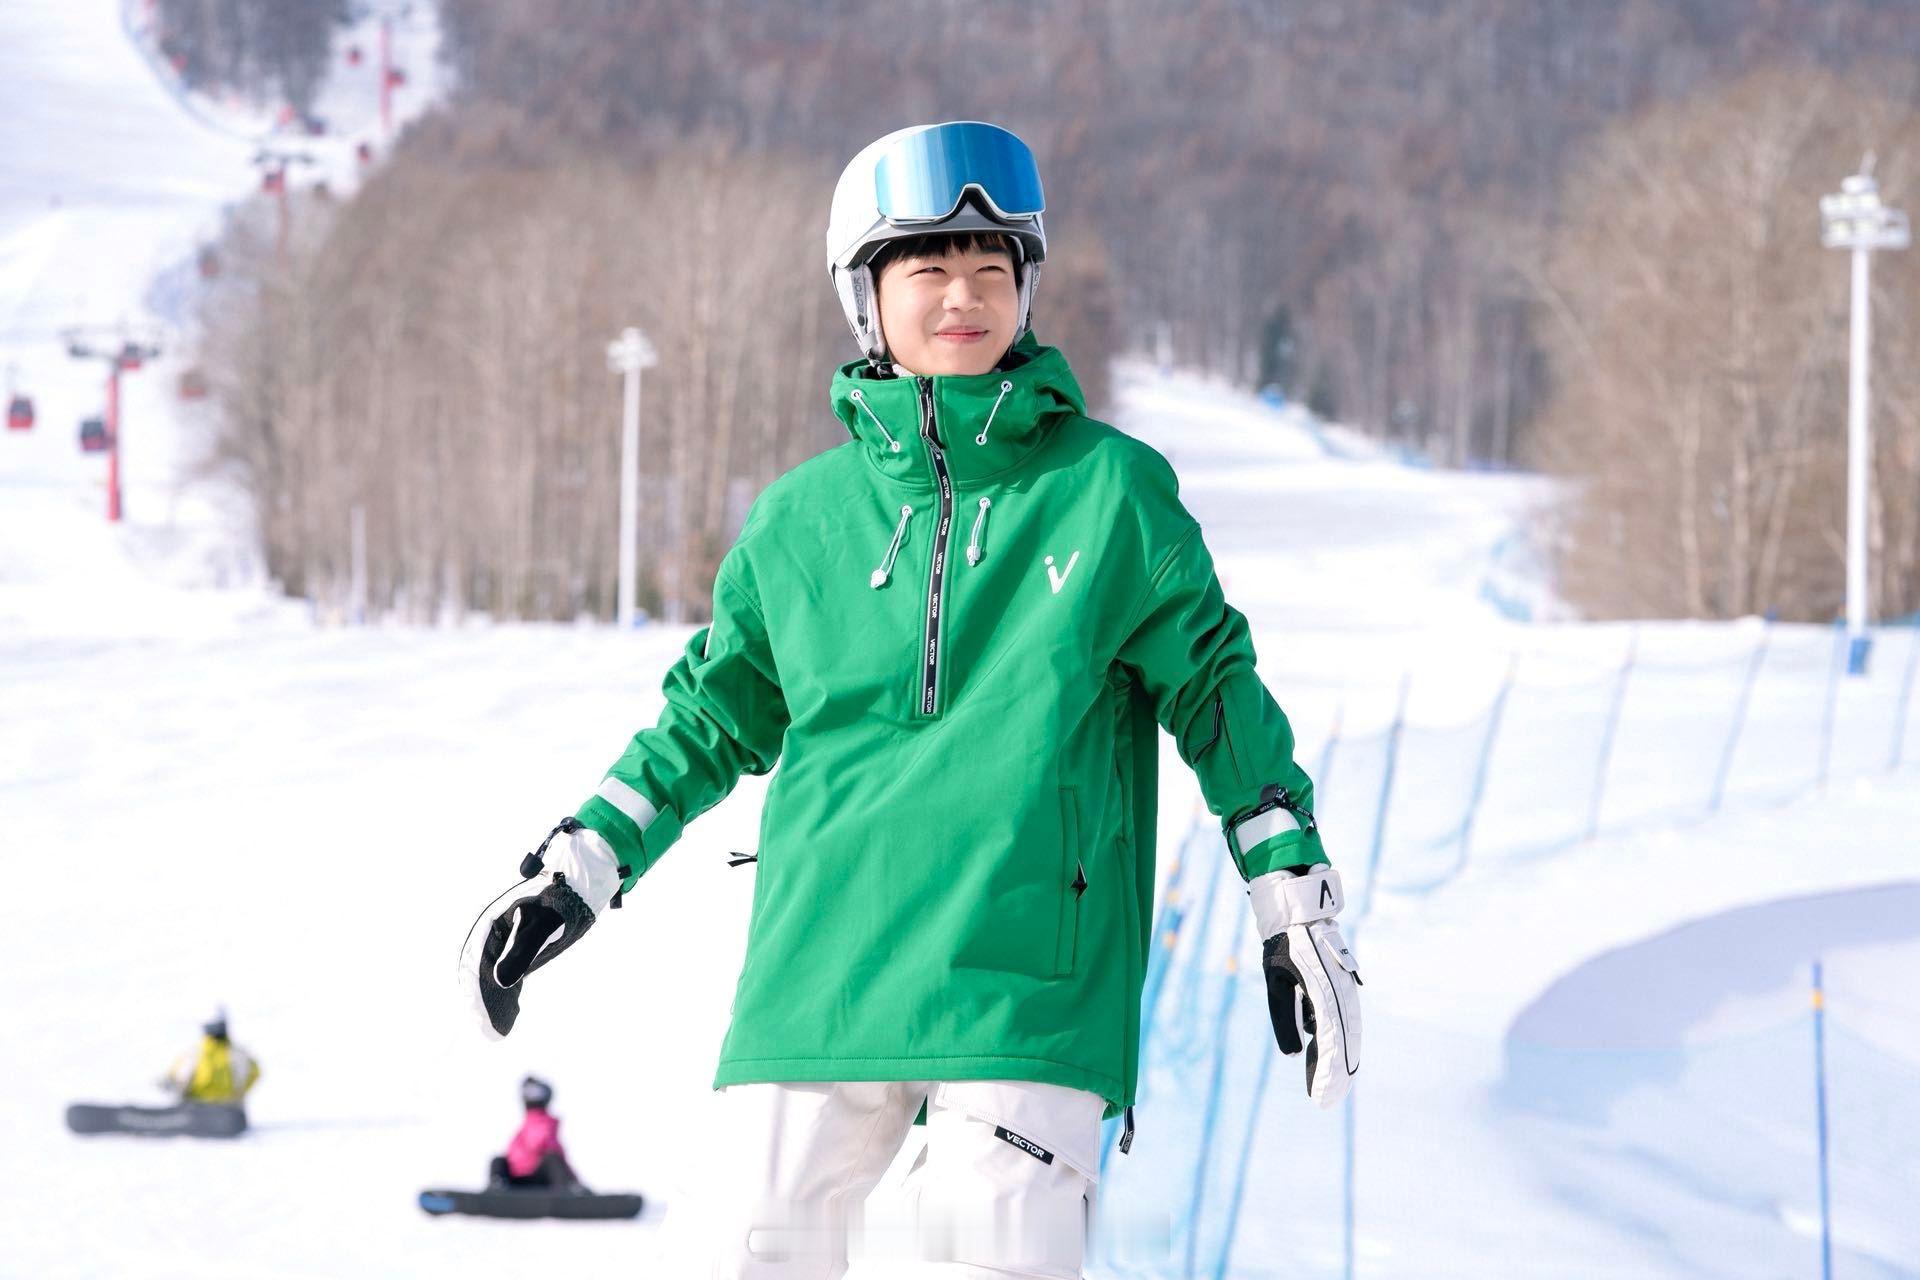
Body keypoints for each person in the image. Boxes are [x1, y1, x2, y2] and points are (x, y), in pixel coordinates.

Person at [462, 120, 1363, 1278]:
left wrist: (1293, 895)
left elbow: (1216, 693)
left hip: (1024, 984)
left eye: (993, 266)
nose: (964, 295)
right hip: (819, 971)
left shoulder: (1109, 494)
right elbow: (710, 716)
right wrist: (580, 865)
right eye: (928, 267)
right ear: (865, 296)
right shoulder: (800, 521)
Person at [487, 1075, 582, 1191]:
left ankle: (565, 1192)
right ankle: (496, 1188)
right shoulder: (522, 1128)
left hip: (541, 1180)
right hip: (516, 1181)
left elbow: (550, 1152)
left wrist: (574, 1181)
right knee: (498, 1161)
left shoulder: (548, 1125)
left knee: (553, 1159)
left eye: (536, 1092)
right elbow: (512, 1156)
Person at [164, 1011, 260, 1108]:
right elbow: (173, 1078)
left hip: (226, 1108)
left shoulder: (237, 1053)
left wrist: (239, 1094)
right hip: (198, 1107)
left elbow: (254, 1073)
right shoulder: (194, 1054)